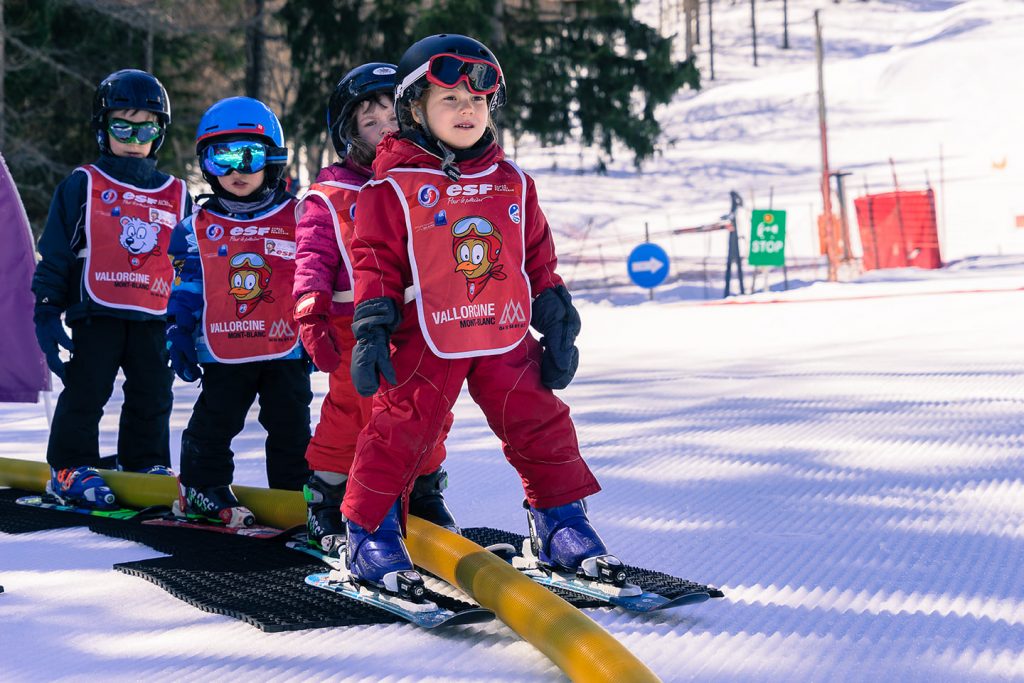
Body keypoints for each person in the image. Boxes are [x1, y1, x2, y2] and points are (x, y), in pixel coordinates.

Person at [340, 34, 618, 596]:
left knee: (541, 422)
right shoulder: (389, 188)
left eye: (477, 100)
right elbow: (375, 263)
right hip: (426, 337)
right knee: (400, 434)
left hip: (504, 331)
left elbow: (535, 254)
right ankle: (369, 530)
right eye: (450, 100)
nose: (466, 111)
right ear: (414, 109)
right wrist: (370, 327)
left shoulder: (512, 182)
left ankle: (561, 520)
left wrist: (556, 313)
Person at [292, 62, 460, 552]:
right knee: (352, 413)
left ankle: (424, 492)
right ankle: (328, 497)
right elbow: (312, 258)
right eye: (371, 122)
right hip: (352, 327)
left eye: (393, 117)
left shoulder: (426, 181)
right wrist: (310, 313)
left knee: (426, 409)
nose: (386, 128)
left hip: (417, 322)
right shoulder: (331, 194)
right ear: (350, 135)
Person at [32, 69, 189, 509]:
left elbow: (192, 267)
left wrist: (191, 321)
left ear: (160, 132)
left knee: (153, 392)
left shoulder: (178, 194)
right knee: (87, 388)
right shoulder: (82, 184)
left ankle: (145, 463)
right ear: (104, 129)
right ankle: (69, 465)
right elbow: (57, 252)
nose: (135, 136)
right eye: (123, 125)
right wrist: (47, 310)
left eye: (147, 126)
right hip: (95, 310)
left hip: (153, 316)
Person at [166, 96, 311, 526]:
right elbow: (187, 287)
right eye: (221, 158)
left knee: (291, 426)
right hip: (223, 347)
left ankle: (293, 498)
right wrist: (177, 330)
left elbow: (315, 275)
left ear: (271, 158)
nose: (236, 171)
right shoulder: (195, 229)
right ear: (206, 165)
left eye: (248, 157)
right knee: (217, 418)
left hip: (285, 350)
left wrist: (322, 328)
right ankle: (201, 486)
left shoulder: (299, 216)